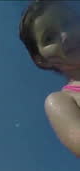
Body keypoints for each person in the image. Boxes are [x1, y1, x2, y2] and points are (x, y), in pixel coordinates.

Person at [20, 0, 80, 157]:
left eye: (68, 22)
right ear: (41, 59)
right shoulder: (62, 101)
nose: (65, 35)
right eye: (49, 38)